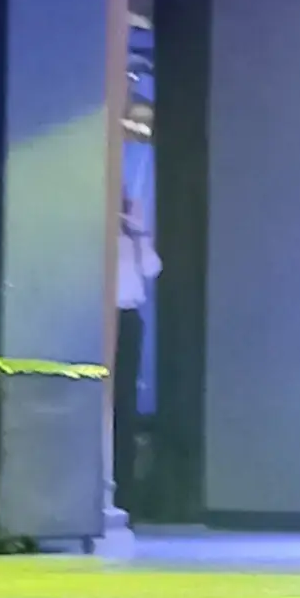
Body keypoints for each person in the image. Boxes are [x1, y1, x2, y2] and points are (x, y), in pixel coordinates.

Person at [114, 188, 161, 513]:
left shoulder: (131, 235)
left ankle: (125, 496)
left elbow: (152, 269)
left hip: (128, 317)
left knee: (125, 404)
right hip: (101, 316)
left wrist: (139, 232)